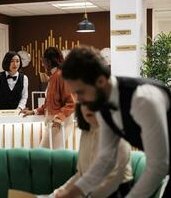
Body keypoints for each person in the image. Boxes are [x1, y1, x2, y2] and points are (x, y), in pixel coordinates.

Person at [55, 45, 170, 198]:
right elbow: (106, 159)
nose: (79, 100)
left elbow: (158, 166)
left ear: (101, 81)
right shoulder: (102, 105)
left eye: (80, 92)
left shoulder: (143, 100)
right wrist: (72, 193)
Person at [54, 103, 133, 198]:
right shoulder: (86, 131)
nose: (88, 107)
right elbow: (81, 174)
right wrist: (57, 194)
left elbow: (112, 181)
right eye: (83, 102)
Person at [21, 47, 76, 149]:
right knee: (47, 156)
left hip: (60, 123)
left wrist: (59, 118)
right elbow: (49, 103)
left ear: (49, 61)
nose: (42, 64)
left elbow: (71, 103)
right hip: (53, 123)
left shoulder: (61, 75)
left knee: (44, 155)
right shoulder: (53, 76)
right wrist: (34, 111)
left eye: (43, 61)